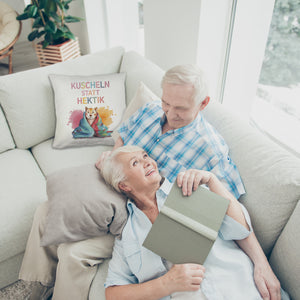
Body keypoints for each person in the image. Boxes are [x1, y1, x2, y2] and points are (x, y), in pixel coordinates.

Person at [19, 64, 280, 299]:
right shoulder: (151, 110)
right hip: (120, 185)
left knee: (74, 253)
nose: (169, 112)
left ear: (203, 104)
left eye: (180, 108)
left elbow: (229, 211)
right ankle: (36, 283)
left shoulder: (211, 151)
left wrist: (261, 263)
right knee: (48, 208)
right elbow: (123, 137)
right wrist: (113, 158)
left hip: (143, 211)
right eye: (167, 102)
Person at [100, 145, 288, 300]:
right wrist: (166, 283)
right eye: (136, 162)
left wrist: (212, 180)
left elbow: (240, 229)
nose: (148, 162)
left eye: (145, 156)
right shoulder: (128, 236)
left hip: (243, 290)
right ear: (124, 185)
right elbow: (113, 293)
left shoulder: (189, 188)